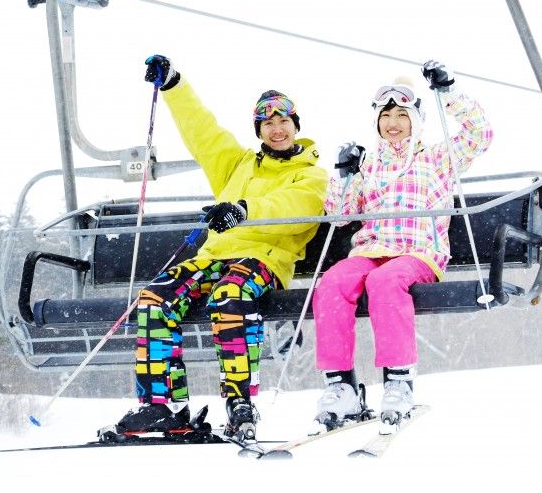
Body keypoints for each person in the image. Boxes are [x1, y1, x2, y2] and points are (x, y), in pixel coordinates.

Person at [108, 54, 328, 441]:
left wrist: (244, 210)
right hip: (212, 258)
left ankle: (239, 401)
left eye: (284, 122)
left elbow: (298, 210)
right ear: (258, 130)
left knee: (229, 296)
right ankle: (163, 406)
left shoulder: (310, 174)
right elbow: (202, 131)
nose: (277, 130)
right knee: (155, 298)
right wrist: (174, 85)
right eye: (268, 124)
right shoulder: (238, 164)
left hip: (263, 260)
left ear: (296, 126)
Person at [312, 60, 493, 433]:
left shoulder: (437, 157)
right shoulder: (370, 165)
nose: (393, 122)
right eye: (386, 115)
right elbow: (341, 216)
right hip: (371, 250)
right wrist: (344, 174)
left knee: (386, 281)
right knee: (331, 283)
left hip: (418, 252)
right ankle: (341, 386)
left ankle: (398, 381)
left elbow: (480, 134)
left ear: (415, 119)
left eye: (401, 114)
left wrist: (449, 92)